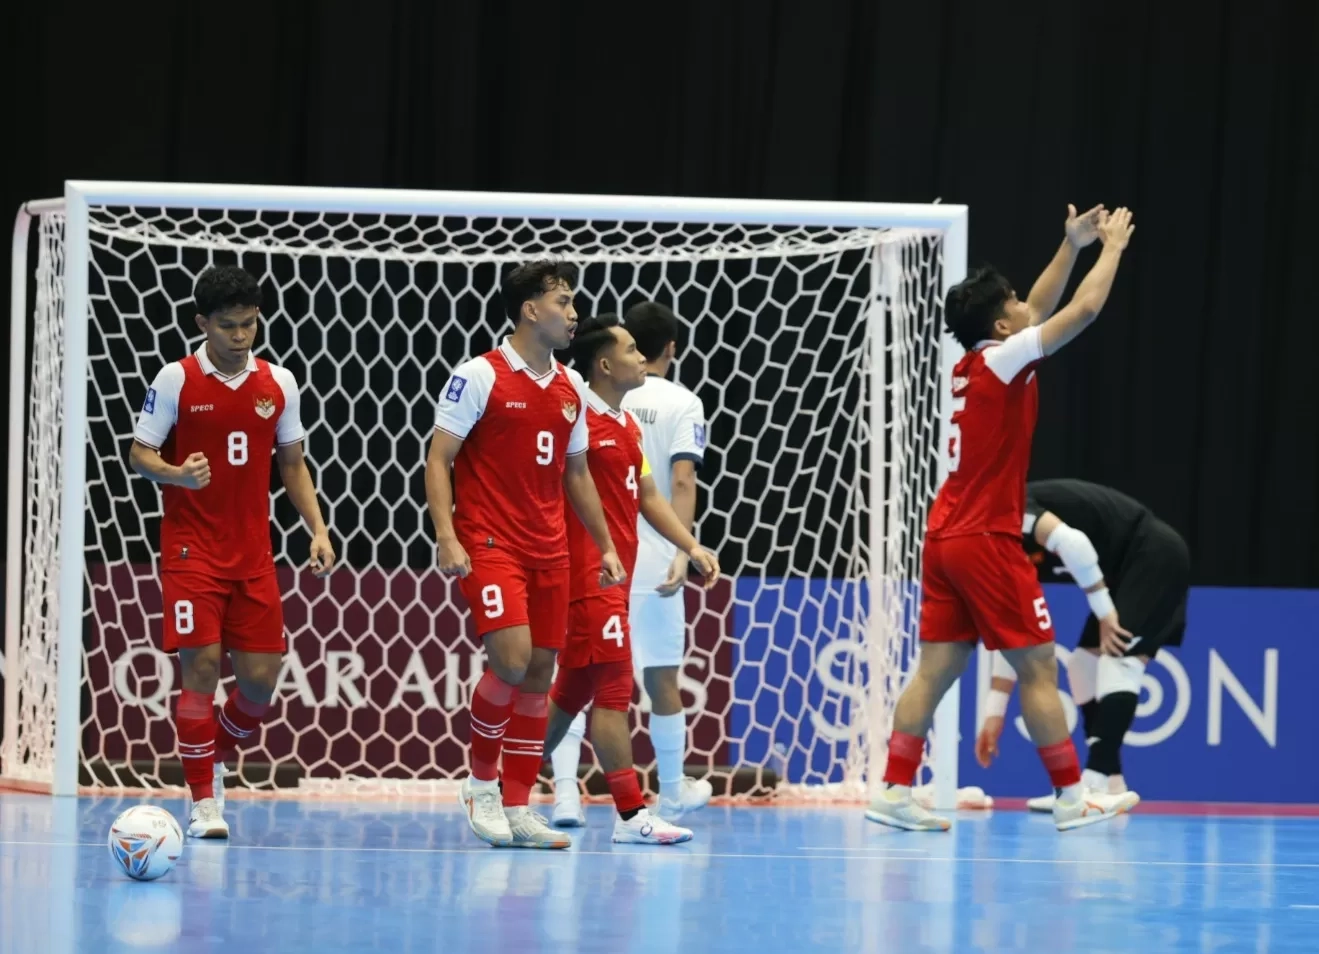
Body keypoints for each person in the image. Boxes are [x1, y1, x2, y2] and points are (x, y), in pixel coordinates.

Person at [864, 205, 1140, 832]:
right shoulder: (1003, 361)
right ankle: (1073, 796)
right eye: (1013, 300)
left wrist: (1069, 246)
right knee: (1038, 665)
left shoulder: (972, 364)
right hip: (986, 538)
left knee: (936, 667)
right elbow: (1083, 312)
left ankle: (893, 790)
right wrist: (1112, 249)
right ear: (998, 321)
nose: (1024, 304)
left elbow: (1037, 311)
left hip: (944, 535)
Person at [129, 265, 335, 839]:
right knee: (199, 670)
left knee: (259, 685)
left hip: (253, 554)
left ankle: (211, 753)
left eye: (249, 324)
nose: (240, 336)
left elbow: (292, 465)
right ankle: (203, 801)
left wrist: (318, 528)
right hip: (192, 550)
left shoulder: (280, 383)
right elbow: (138, 454)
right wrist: (177, 474)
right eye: (227, 327)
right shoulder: (175, 379)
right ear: (202, 324)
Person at [427, 260, 625, 849]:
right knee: (511, 661)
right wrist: (446, 534)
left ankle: (518, 806)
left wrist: (608, 545)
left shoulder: (570, 389)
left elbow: (578, 473)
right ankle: (480, 784)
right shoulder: (479, 375)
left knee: (540, 672)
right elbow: (439, 458)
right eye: (563, 301)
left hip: (552, 549)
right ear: (529, 310)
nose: (574, 313)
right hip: (490, 542)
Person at [543, 313, 720, 843]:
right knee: (616, 689)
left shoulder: (627, 425)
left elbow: (648, 497)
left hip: (615, 576)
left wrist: (691, 545)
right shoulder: (576, 420)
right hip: (588, 575)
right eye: (628, 350)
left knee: (571, 691)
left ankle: (498, 783)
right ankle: (630, 816)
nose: (640, 357)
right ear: (603, 364)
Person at [975, 478, 1190, 810]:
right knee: (1082, 666)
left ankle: (1093, 782)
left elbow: (1072, 542)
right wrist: (994, 713)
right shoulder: (998, 552)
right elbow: (1013, 630)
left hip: (1151, 555)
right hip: (1117, 573)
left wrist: (1105, 613)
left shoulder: (1009, 509)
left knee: (1119, 659)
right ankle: (1113, 783)